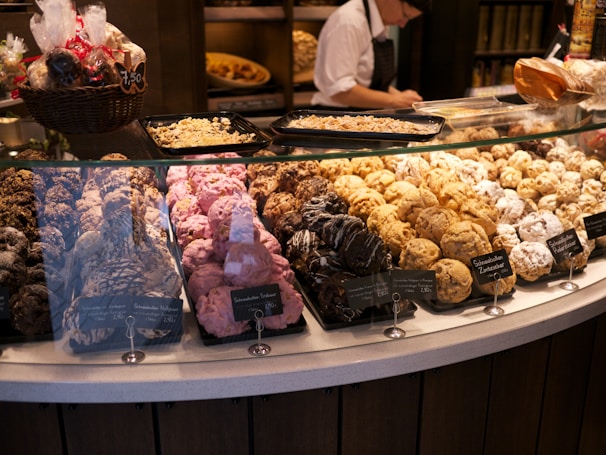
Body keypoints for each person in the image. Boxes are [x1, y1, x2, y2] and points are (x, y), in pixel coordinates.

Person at [312, 0, 431, 109]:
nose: (403, 24)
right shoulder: (349, 21)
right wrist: (393, 100)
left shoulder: (379, 20)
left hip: (363, 115)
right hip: (335, 117)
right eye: (405, 15)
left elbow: (367, 82)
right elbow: (340, 91)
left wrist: (404, 99)